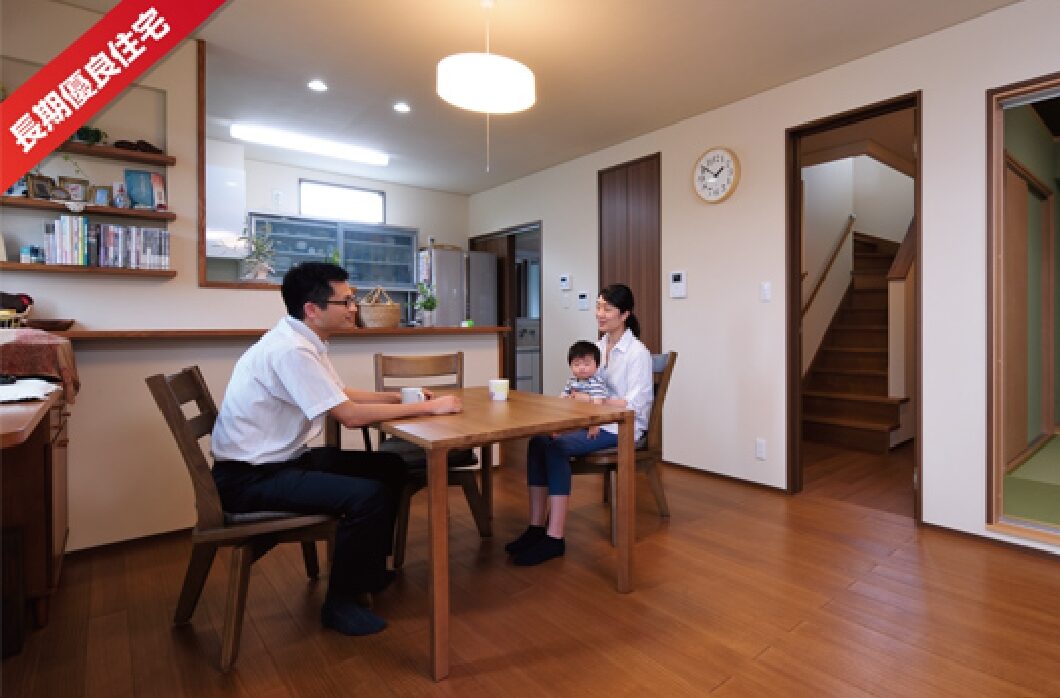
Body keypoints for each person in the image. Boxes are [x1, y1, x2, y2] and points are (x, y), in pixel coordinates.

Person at [210, 262, 461, 636]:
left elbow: (338, 394)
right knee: (368, 496)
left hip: (278, 462)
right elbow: (349, 416)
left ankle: (368, 571)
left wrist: (397, 397)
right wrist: (430, 408)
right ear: (312, 309)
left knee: (389, 466)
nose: (353, 308)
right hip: (249, 479)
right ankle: (341, 602)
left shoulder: (305, 340)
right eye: (345, 302)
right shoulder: (291, 350)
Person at [506, 283, 653, 566]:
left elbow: (636, 405)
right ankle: (536, 528)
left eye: (607, 308)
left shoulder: (637, 353)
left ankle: (555, 537)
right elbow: (580, 388)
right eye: (598, 306)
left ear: (625, 314)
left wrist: (597, 402)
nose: (600, 313)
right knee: (538, 441)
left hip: (620, 428)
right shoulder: (597, 348)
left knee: (556, 448)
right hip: (593, 423)